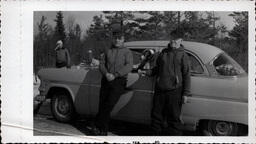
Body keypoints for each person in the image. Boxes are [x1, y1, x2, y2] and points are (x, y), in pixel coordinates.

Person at [140, 37, 191, 135]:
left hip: (175, 91)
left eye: (176, 39)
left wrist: (185, 93)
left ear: (181, 41)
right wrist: (147, 72)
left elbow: (186, 75)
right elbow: (157, 69)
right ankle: (155, 139)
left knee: (174, 118)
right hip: (160, 89)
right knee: (156, 117)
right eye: (172, 39)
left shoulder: (183, 55)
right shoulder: (163, 53)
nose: (173, 41)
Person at [92, 23, 133, 135]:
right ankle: (101, 129)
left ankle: (99, 126)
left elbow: (129, 66)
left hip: (119, 81)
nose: (117, 40)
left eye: (119, 38)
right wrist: (106, 74)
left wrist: (115, 74)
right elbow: (101, 64)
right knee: (102, 103)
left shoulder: (127, 52)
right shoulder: (108, 50)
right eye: (115, 38)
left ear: (123, 39)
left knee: (108, 104)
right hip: (106, 79)